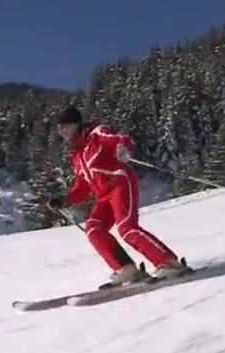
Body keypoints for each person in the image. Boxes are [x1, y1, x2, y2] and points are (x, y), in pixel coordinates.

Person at [48, 106, 189, 287]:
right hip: (103, 197)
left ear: (76, 124)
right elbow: (82, 188)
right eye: (59, 129)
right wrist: (64, 200)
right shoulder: (77, 156)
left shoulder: (97, 135)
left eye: (65, 126)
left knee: (127, 228)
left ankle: (169, 263)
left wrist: (124, 148)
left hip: (121, 184)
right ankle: (126, 269)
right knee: (93, 228)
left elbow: (121, 139)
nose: (62, 132)